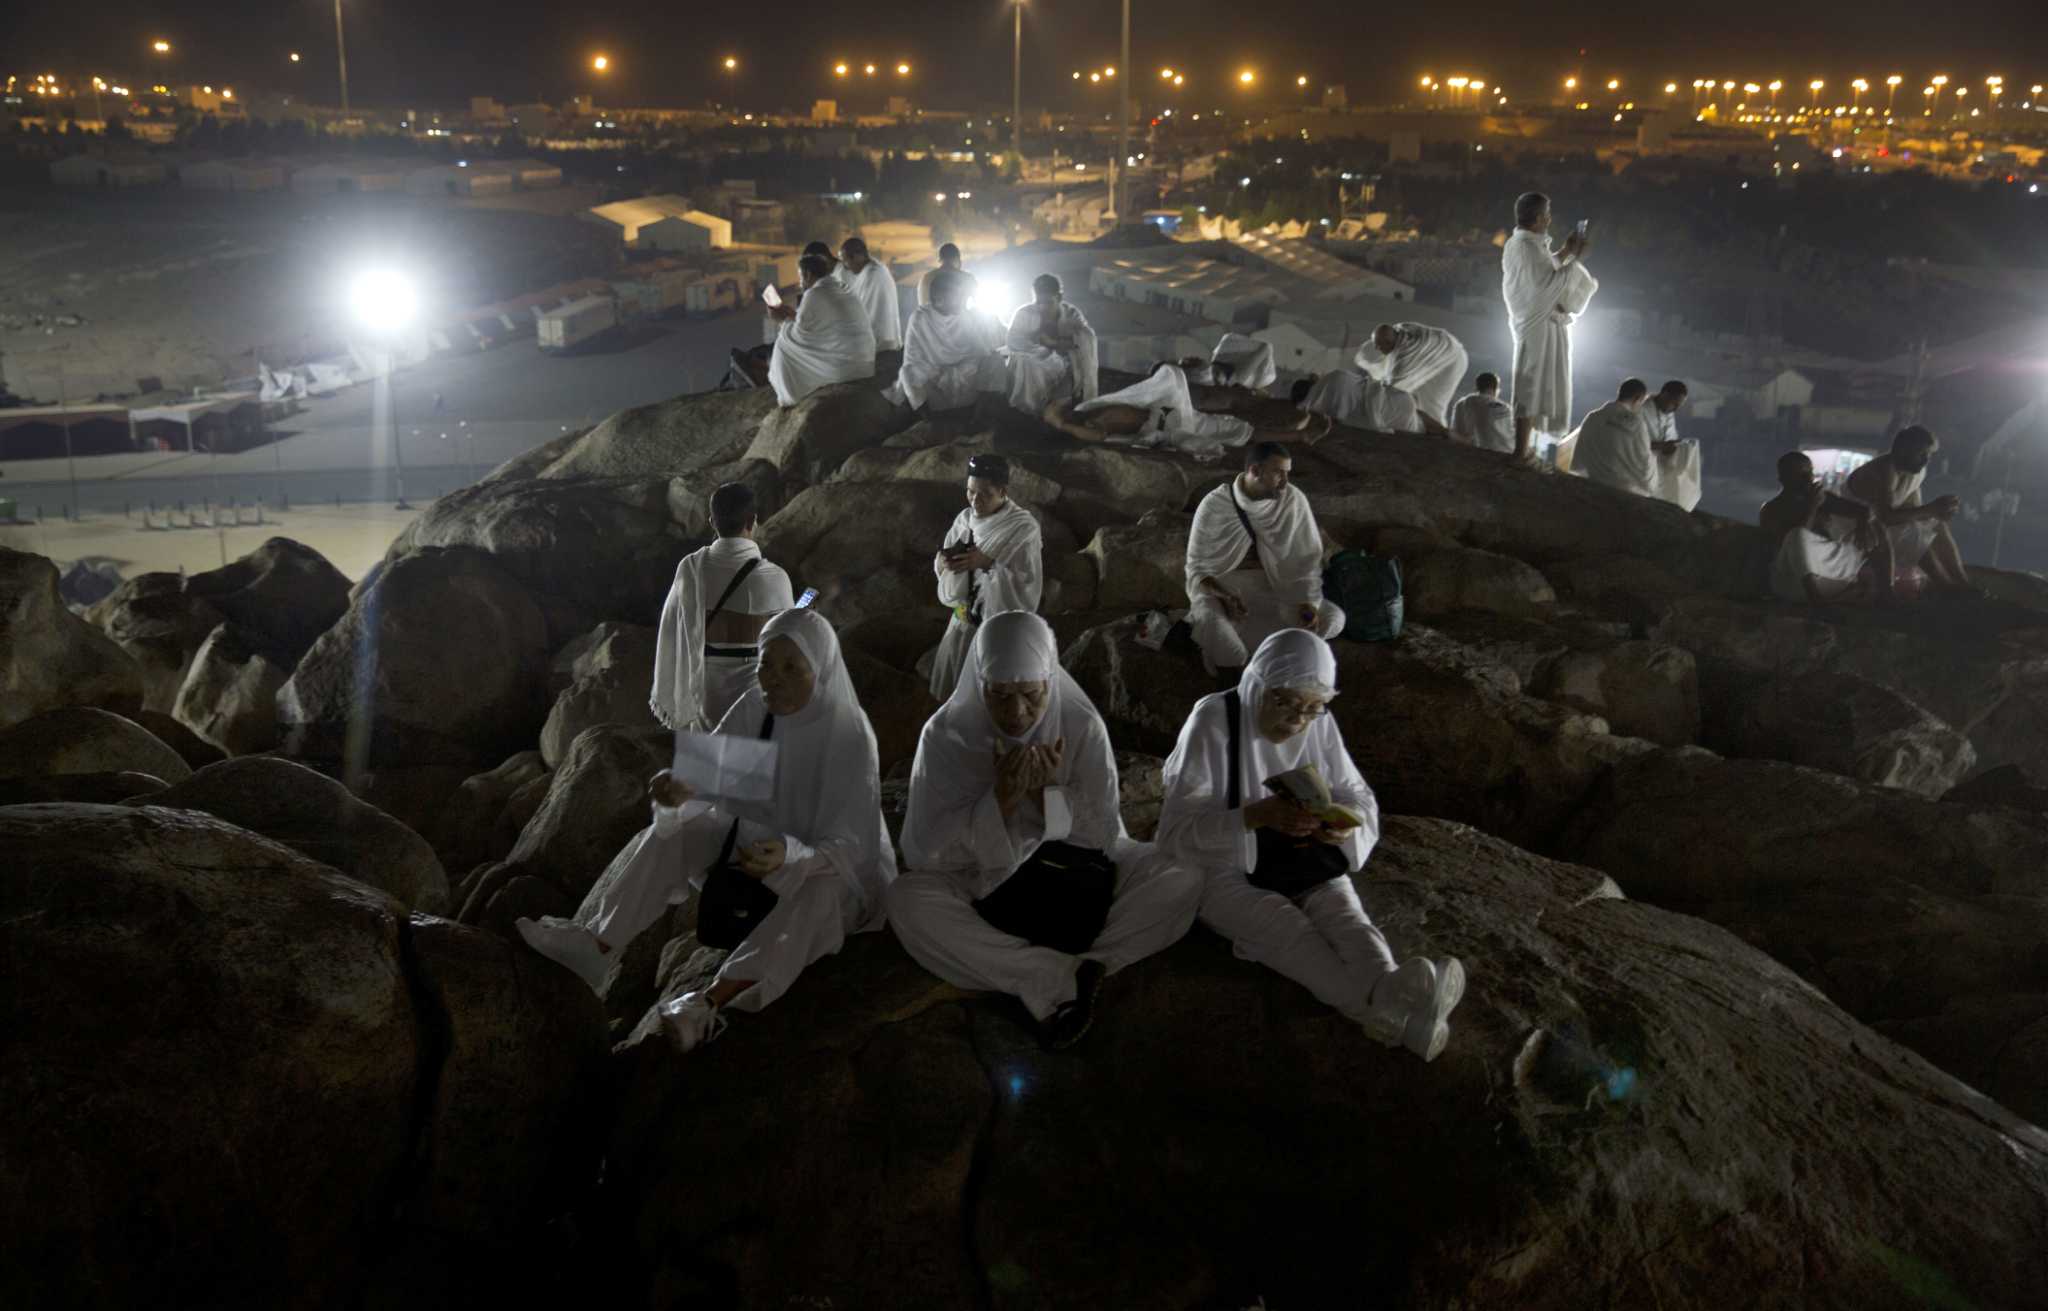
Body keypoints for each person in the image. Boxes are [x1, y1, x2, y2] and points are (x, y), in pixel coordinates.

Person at [516, 609, 897, 1051]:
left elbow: (852, 846)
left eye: (792, 667)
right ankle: (596, 946)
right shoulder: (758, 706)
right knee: (680, 830)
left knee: (820, 898)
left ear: (822, 668)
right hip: (760, 850)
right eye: (766, 664)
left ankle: (711, 1002)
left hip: (826, 867)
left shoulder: (847, 734)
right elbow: (708, 778)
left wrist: (789, 854)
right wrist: (674, 793)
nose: (773, 678)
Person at [888, 612, 1201, 1048]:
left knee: (1180, 877)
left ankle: (1076, 967)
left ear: (1050, 683)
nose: (1015, 713)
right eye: (998, 696)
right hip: (977, 876)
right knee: (908, 901)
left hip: (1073, 870)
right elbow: (927, 850)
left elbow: (1103, 837)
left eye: (1030, 695)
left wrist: (1047, 795)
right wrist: (999, 801)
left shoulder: (1079, 724)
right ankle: (1062, 975)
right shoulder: (946, 736)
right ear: (979, 684)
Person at [1157, 629, 1467, 1061]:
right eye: (1286, 704)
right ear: (1257, 686)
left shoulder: (1319, 723)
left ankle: (1395, 1005)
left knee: (1346, 918)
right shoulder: (1215, 719)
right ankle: (1393, 1007)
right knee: (1286, 929)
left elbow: (1357, 795)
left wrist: (1342, 825)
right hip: (1224, 862)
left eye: (1312, 710)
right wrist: (1257, 815)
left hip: (1303, 856)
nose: (1297, 722)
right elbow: (1175, 834)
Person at [1186, 442, 1344, 679]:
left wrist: (1307, 602)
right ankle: (1239, 686)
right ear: (1255, 471)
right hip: (1224, 590)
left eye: (1288, 473)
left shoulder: (1292, 500)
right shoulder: (1215, 504)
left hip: (1275, 588)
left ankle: (1275, 659)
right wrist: (1225, 597)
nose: (1285, 481)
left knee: (1333, 619)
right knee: (1225, 645)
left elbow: (1306, 562)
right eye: (1279, 472)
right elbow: (1197, 570)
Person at [651, 482, 796, 733]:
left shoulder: (690, 568)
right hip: (754, 696)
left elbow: (671, 627)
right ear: (751, 521)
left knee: (707, 767)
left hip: (704, 693)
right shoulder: (773, 577)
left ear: (712, 521)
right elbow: (790, 643)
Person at [930, 453, 1044, 699]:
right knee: (951, 697)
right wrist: (941, 562)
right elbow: (945, 558)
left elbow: (1027, 583)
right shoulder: (964, 519)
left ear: (1003, 491)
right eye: (971, 491)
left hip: (996, 634)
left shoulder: (1022, 527)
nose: (975, 501)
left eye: (985, 494)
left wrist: (989, 563)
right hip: (961, 624)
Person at [1501, 192, 1597, 462]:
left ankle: (1528, 448)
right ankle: (1520, 451)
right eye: (1547, 214)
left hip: (1543, 323)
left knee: (1538, 384)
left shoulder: (1526, 243)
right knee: (1529, 384)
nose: (1550, 218)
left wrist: (1566, 252)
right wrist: (1576, 259)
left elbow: (1545, 272)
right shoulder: (1525, 247)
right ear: (1540, 218)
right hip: (1535, 324)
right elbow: (1545, 287)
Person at [1043, 364, 1322, 456]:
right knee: (1171, 374)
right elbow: (1097, 437)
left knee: (1235, 429)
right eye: (1060, 408)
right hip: (1166, 424)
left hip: (1172, 416)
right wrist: (1060, 425)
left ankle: (1298, 437)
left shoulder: (1089, 410)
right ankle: (1297, 436)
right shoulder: (1090, 424)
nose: (1063, 403)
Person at [1843, 426, 1981, 596]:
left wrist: (1938, 512)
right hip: (1856, 525)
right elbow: (1886, 516)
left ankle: (1962, 581)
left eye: (1929, 455)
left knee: (1936, 525)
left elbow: (1914, 509)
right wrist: (1931, 509)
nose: (1926, 460)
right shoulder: (1883, 472)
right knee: (1912, 532)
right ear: (1902, 450)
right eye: (1921, 454)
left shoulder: (1917, 471)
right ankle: (1944, 585)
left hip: (1884, 522)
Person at [1759, 451, 1895, 605]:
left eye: (1810, 472)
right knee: (1796, 534)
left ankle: (1887, 592)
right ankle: (1818, 601)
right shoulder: (1771, 509)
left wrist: (1863, 525)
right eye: (1801, 474)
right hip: (1793, 579)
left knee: (1876, 527)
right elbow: (1790, 547)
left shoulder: (1822, 498)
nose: (1809, 478)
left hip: (1827, 572)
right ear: (1783, 479)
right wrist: (1812, 507)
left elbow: (1865, 511)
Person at [766, 252, 875, 407]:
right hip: (865, 362)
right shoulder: (842, 287)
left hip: (847, 368)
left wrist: (782, 321)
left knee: (784, 343)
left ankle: (789, 396)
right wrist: (792, 316)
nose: (800, 283)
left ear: (808, 274)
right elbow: (816, 327)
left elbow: (800, 336)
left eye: (800, 277)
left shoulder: (814, 294)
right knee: (787, 335)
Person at [889, 269, 1006, 413]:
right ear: (939, 299)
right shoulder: (920, 318)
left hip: (965, 370)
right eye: (957, 296)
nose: (963, 300)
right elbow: (912, 359)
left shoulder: (964, 315)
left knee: (995, 361)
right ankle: (929, 419)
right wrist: (937, 373)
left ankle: (980, 415)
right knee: (909, 373)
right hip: (934, 373)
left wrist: (965, 366)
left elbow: (980, 350)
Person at [1006, 274, 1100, 412]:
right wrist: (1039, 347)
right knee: (1024, 362)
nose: (1043, 307)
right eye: (1038, 302)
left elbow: (1085, 341)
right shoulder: (1024, 313)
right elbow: (1012, 340)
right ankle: (1027, 410)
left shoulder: (1071, 314)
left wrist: (1053, 343)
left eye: (1048, 302)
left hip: (1063, 365)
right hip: (1031, 362)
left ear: (1059, 298)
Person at [1355, 322, 1469, 426]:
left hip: (1452, 360)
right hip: (1437, 350)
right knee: (1415, 398)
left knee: (1431, 405)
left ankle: (1440, 432)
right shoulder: (1400, 328)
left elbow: (1390, 393)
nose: (1376, 348)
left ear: (1388, 343)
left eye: (1378, 346)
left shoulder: (1403, 360)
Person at [1564, 378, 1658, 497]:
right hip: (1624, 490)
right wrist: (1654, 459)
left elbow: (1580, 454)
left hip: (1594, 484)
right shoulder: (1636, 422)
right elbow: (1643, 458)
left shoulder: (1593, 417)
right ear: (1637, 398)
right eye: (1641, 402)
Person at [1296, 367, 1443, 436]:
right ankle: (1446, 432)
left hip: (1389, 416)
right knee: (1417, 415)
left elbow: (1339, 418)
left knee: (1420, 427)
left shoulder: (1316, 404)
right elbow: (1367, 382)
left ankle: (1445, 434)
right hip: (1399, 398)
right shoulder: (1336, 374)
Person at [835, 236, 902, 355]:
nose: (845, 266)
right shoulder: (870, 269)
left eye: (845, 261)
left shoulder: (873, 274)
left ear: (856, 256)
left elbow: (864, 316)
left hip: (882, 347)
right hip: (880, 344)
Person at [1449, 372, 1516, 453]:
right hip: (1494, 456)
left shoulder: (1460, 404)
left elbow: (1455, 432)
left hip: (1465, 454)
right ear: (1496, 389)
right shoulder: (1502, 408)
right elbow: (1508, 439)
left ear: (1477, 387)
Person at [917, 242, 974, 307]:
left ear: (940, 260)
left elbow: (922, 305)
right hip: (961, 316)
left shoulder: (926, 278)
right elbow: (976, 306)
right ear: (958, 259)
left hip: (932, 316)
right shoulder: (967, 278)